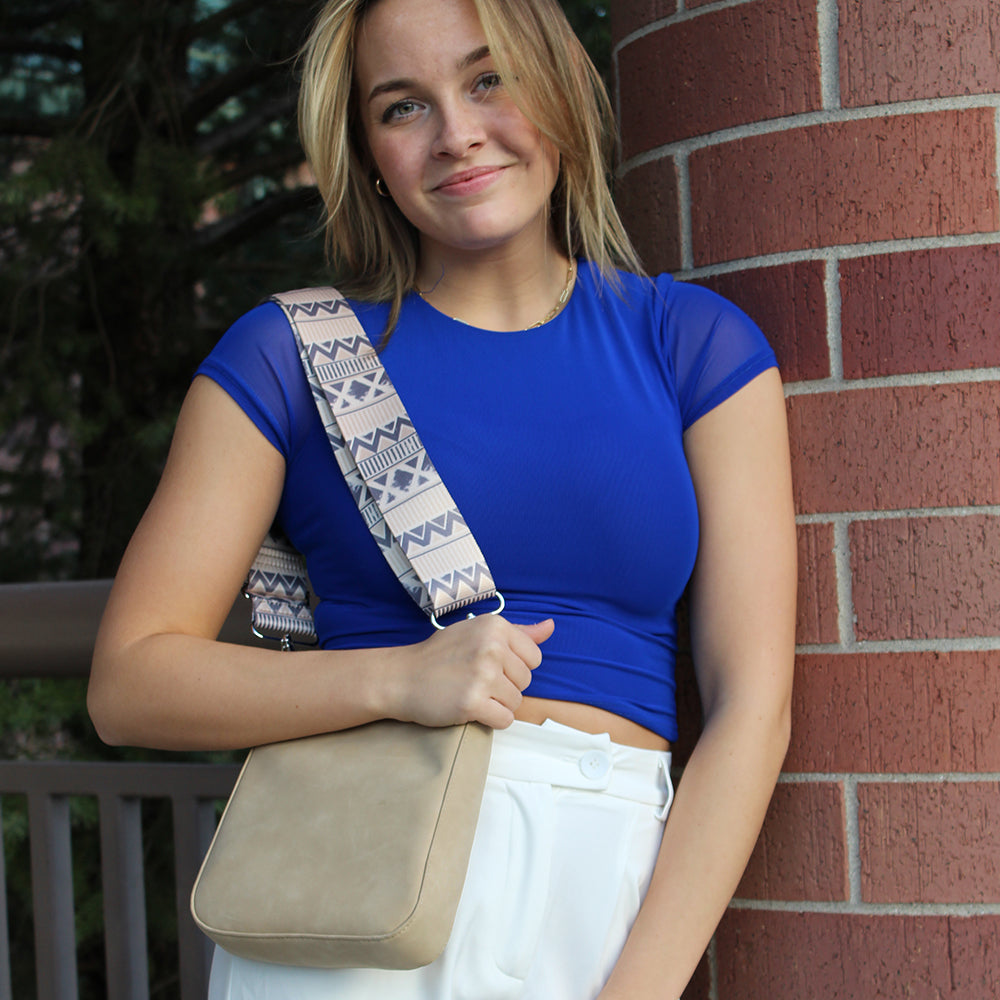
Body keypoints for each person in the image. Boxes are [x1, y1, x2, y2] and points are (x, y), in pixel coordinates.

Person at [87, 0, 796, 996]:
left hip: (598, 893)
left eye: (488, 79)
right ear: (368, 155)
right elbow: (129, 683)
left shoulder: (692, 347)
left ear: (557, 88)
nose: (457, 133)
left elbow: (753, 708)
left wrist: (642, 985)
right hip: (356, 891)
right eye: (402, 106)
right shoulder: (292, 357)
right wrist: (396, 680)